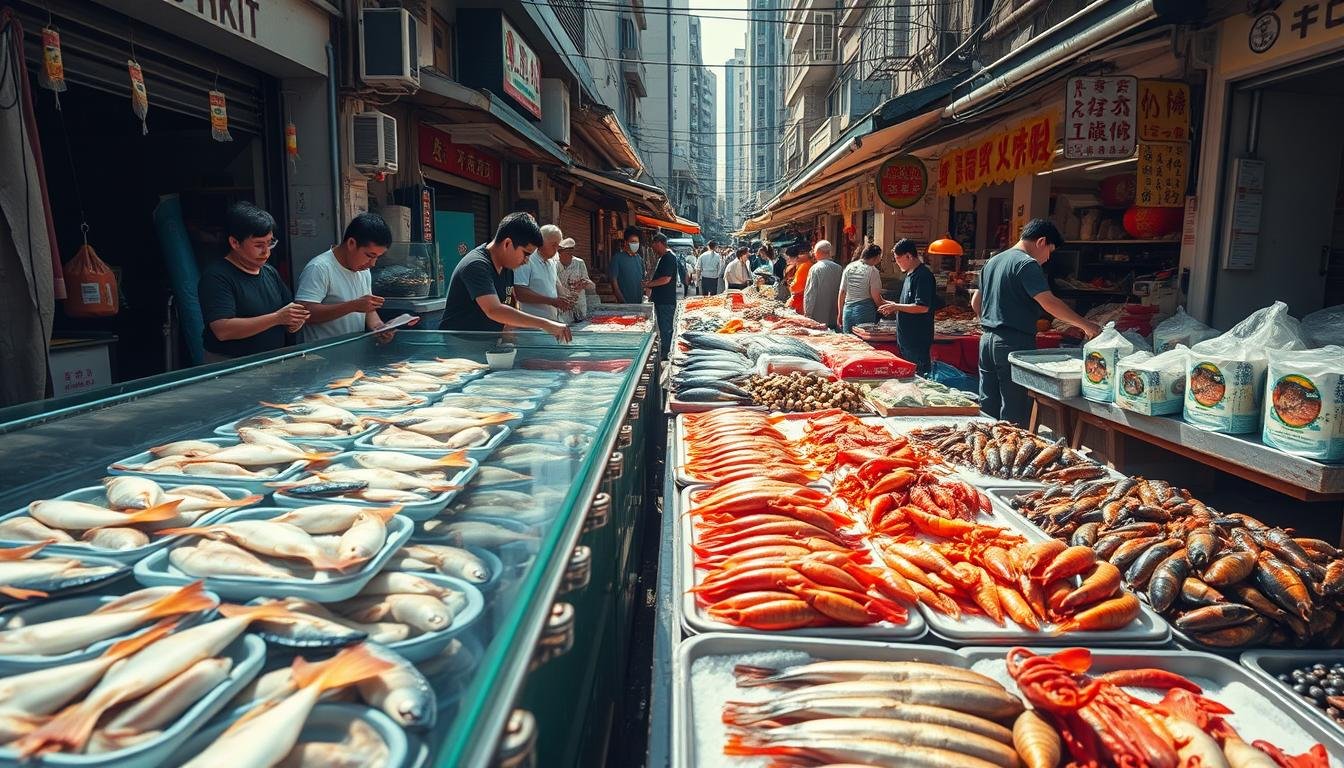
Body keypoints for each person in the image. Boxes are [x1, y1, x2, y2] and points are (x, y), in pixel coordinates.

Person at [973, 218, 1101, 425]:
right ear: (1041, 241)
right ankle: (1009, 455)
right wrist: (1085, 325)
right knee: (1015, 409)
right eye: (1050, 251)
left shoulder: (993, 262)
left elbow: (975, 301)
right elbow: (1048, 302)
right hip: (1012, 342)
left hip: (986, 340)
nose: (1048, 258)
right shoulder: (1026, 264)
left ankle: (980, 452)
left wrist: (991, 320)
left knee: (988, 405)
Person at [199, 202, 308, 362]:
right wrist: (277, 318)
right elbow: (222, 330)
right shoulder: (217, 277)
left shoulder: (269, 272)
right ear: (235, 243)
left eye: (270, 243)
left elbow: (287, 312)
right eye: (258, 245)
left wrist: (294, 322)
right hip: (231, 367)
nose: (266, 252)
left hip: (270, 362)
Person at [439, 212, 572, 342]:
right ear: (507, 244)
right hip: (458, 343)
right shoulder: (476, 265)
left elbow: (509, 306)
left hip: (487, 343)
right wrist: (547, 325)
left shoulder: (508, 268)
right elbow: (494, 309)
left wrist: (509, 334)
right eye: (525, 254)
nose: (527, 261)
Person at [295, 212, 399, 343]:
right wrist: (352, 306)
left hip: (353, 356)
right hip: (322, 357)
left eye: (377, 257)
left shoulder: (363, 271)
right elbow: (304, 313)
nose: (372, 263)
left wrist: (380, 328)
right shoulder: (319, 267)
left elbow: (368, 311)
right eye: (369, 255)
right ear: (351, 243)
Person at [880, 238, 936, 375]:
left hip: (917, 339)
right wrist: (895, 305)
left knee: (919, 377)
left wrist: (896, 307)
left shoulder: (923, 276)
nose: (897, 263)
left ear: (908, 256)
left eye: (898, 259)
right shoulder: (909, 275)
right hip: (905, 338)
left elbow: (922, 307)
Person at [513, 224, 572, 321]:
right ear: (541, 242)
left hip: (551, 322)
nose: (556, 250)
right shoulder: (527, 260)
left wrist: (564, 297)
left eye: (558, 246)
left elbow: (553, 286)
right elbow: (520, 292)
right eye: (553, 245)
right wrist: (551, 301)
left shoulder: (552, 262)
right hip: (532, 326)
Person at [838, 244, 895, 333]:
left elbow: (842, 292)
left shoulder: (849, 267)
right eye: (880, 257)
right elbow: (876, 298)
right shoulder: (872, 271)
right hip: (864, 311)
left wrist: (840, 313)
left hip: (847, 311)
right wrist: (892, 307)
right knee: (863, 344)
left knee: (848, 342)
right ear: (876, 257)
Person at [643, 232, 680, 357]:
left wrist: (649, 284)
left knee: (665, 328)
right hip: (662, 300)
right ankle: (665, 350)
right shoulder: (664, 257)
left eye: (654, 245)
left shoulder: (668, 258)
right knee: (664, 328)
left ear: (659, 243)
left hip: (665, 301)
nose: (653, 248)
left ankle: (666, 353)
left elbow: (666, 279)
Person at [553, 237, 594, 324]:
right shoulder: (553, 264)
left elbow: (591, 285)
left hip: (579, 306)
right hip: (562, 307)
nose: (570, 254)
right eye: (567, 252)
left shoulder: (579, 263)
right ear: (559, 252)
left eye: (571, 251)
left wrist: (584, 284)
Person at [802, 239, 841, 330]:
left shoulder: (815, 268)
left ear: (819, 252)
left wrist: (807, 312)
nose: (814, 255)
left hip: (817, 315)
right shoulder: (838, 268)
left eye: (814, 252)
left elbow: (810, 292)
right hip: (834, 314)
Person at [609, 226, 645, 304]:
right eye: (633, 242)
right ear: (626, 243)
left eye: (637, 242)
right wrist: (621, 300)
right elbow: (613, 281)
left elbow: (643, 280)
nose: (635, 244)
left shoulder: (639, 259)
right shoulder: (617, 258)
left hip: (638, 302)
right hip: (624, 304)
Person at [789, 247, 813, 314]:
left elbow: (796, 287)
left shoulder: (804, 266)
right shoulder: (809, 265)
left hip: (800, 300)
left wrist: (791, 286)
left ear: (807, 254)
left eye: (800, 254)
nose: (797, 257)